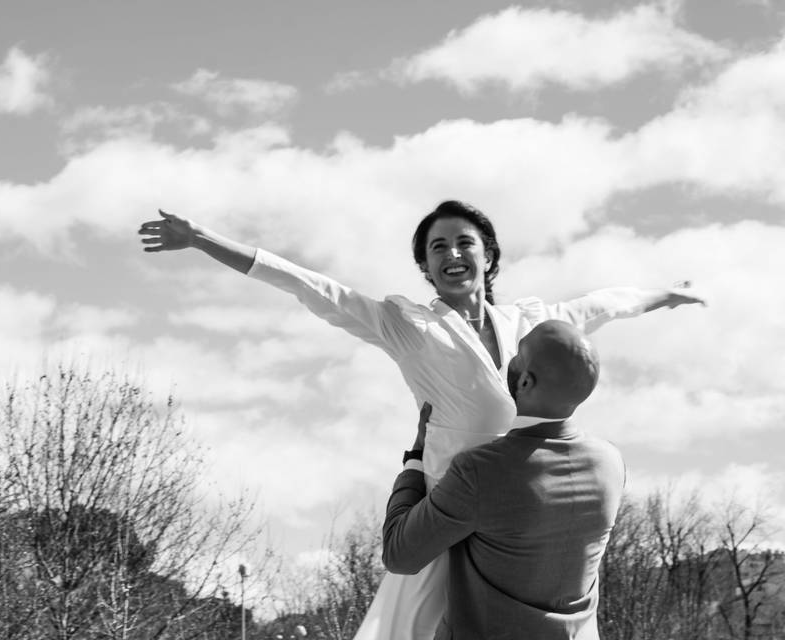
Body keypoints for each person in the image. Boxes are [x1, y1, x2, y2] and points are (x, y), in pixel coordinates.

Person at [138, 201, 704, 640]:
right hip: (446, 509)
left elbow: (603, 304)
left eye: (465, 242)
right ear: (426, 268)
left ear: (489, 256)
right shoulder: (406, 324)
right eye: (438, 248)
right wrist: (201, 239)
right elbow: (309, 285)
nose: (452, 254)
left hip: (524, 509)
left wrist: (664, 295)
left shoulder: (531, 320)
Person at [383, 320, 622, 639]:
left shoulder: (481, 470)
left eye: (518, 353)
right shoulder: (611, 463)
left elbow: (399, 554)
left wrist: (415, 458)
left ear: (524, 381)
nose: (509, 358)